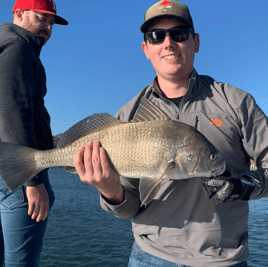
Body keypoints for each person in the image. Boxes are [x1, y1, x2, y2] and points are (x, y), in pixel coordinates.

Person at [74, 1, 268, 266]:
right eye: (156, 36)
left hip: (223, 260)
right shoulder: (127, 116)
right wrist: (109, 191)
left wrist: (244, 187)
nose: (168, 42)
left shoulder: (237, 102)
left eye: (179, 33)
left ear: (195, 42)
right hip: (147, 257)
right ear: (146, 49)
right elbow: (130, 207)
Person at [0, 0, 68, 266]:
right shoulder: (18, 49)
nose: (48, 27)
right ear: (18, 14)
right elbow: (14, 114)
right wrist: (33, 181)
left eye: (52, 22)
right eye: (42, 18)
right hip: (18, 174)